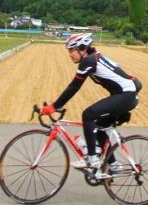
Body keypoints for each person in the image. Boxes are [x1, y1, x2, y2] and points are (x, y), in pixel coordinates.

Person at [41, 33, 141, 169]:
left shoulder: (88, 61)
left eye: (72, 50)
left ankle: (92, 158)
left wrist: (54, 106)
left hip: (126, 96)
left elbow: (74, 87)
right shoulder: (94, 59)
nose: (70, 54)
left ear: (82, 49)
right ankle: (113, 165)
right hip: (125, 96)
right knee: (99, 128)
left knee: (88, 115)